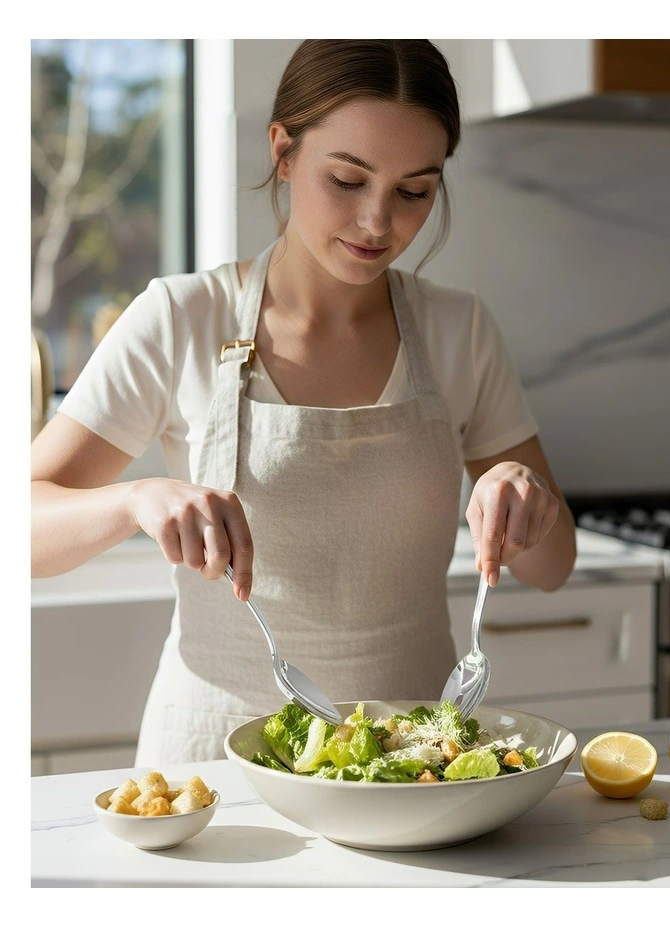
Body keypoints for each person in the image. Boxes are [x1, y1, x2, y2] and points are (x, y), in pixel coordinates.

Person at [31, 40, 577, 764]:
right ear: (283, 153)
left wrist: (526, 499)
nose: (378, 223)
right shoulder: (182, 317)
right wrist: (137, 501)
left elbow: (554, 566)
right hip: (213, 775)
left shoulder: (460, 330)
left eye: (415, 191)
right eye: (347, 180)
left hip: (412, 769)